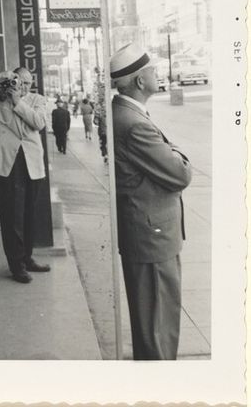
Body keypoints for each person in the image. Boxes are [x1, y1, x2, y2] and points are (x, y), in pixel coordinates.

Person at [110, 43, 192, 360]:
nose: (158, 75)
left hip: (148, 235)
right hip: (152, 238)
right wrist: (177, 152)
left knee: (154, 324)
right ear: (140, 80)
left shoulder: (127, 114)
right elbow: (180, 174)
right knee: (159, 328)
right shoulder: (135, 124)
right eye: (153, 71)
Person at [0, 67, 51, 284]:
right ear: (12, 80)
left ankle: (28, 258)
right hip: (8, 161)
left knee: (29, 214)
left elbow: (39, 122)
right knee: (11, 215)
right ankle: (16, 265)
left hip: (32, 162)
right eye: (19, 81)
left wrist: (18, 102)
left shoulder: (37, 99)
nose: (23, 86)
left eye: (27, 83)